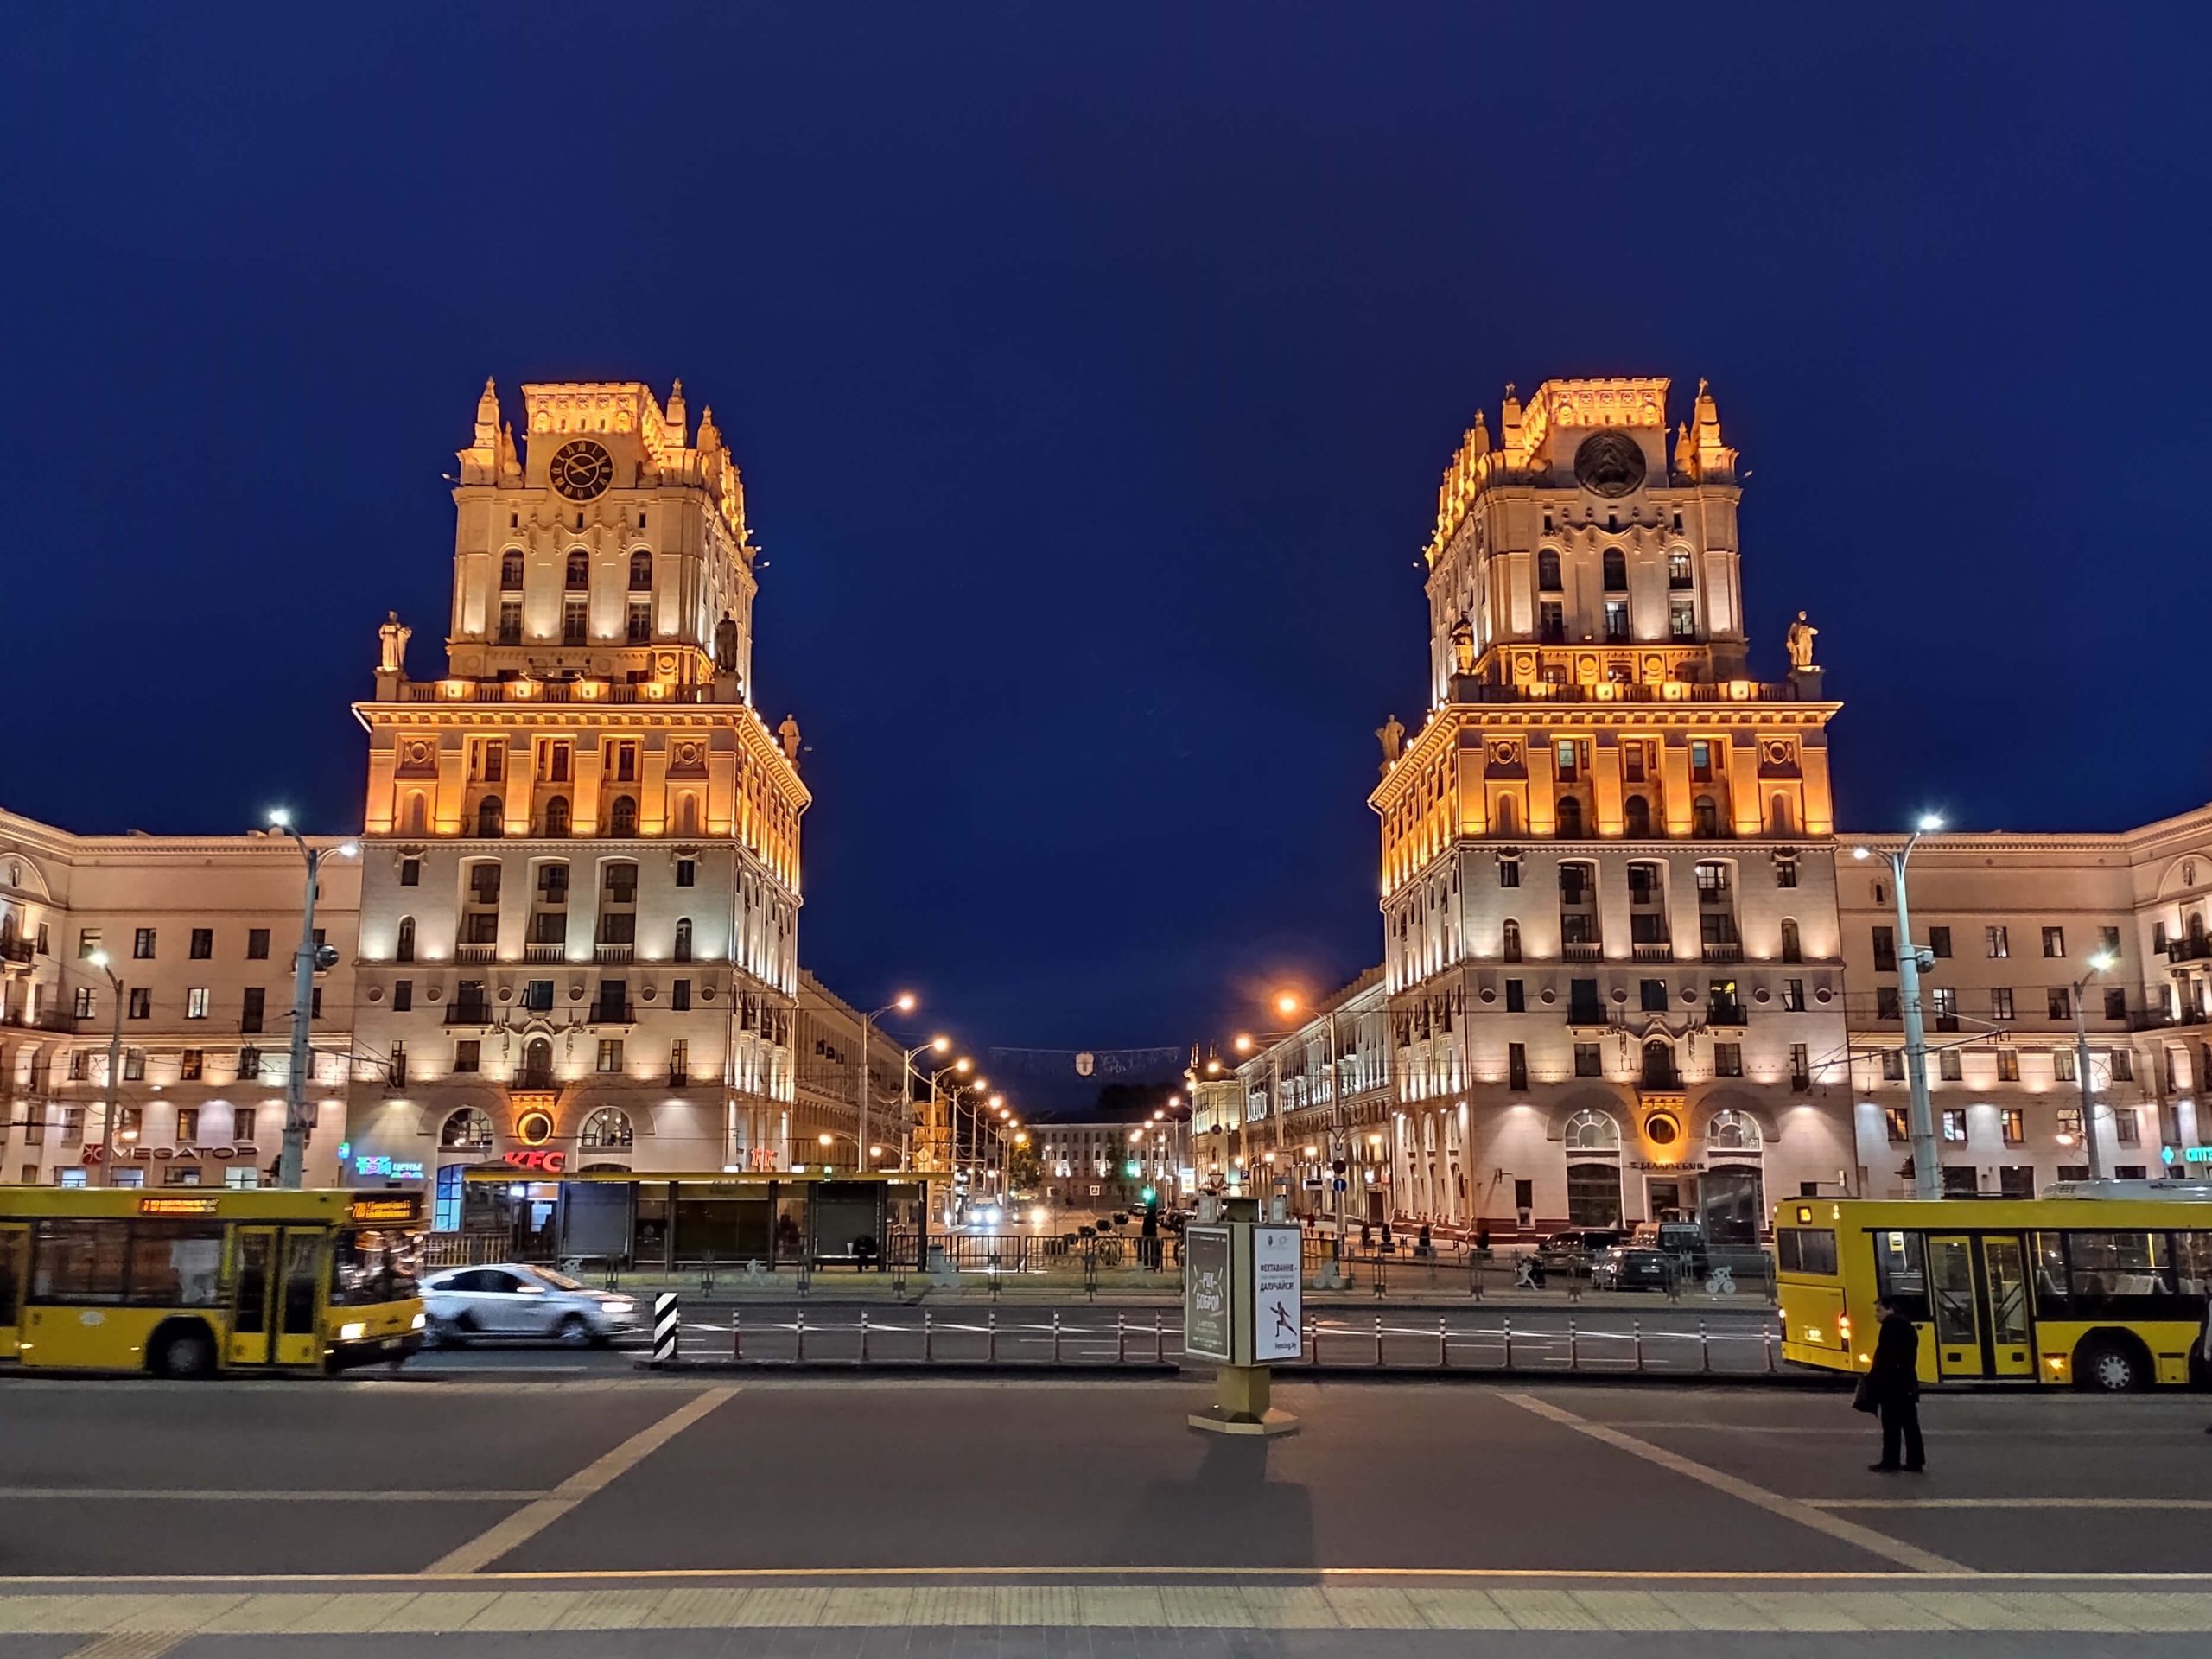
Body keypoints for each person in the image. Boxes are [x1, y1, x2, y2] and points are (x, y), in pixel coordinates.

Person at [1865, 1295, 1925, 1472]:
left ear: (1890, 1310)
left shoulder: (1891, 1325)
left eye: (1879, 1310)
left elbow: (1886, 1356)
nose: (1877, 1315)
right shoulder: (1906, 1325)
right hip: (1906, 1382)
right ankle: (1915, 1461)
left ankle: (1890, 1461)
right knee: (1910, 1424)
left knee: (1891, 1425)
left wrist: (1874, 1377)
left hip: (1892, 1384)